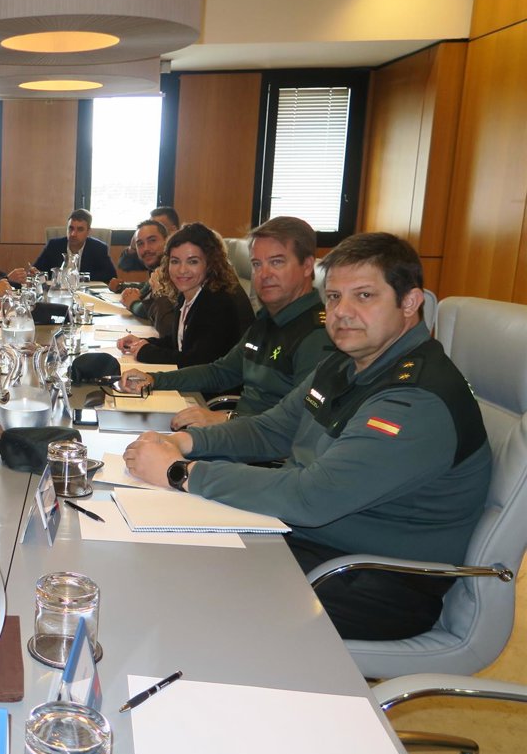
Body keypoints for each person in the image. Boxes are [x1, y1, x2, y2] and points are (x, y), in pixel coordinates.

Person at [123, 232, 491, 641]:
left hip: (373, 579)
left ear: (409, 303)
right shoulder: (347, 363)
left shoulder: (415, 399)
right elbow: (272, 429)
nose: (342, 312)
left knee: (179, 588)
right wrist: (186, 443)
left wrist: (180, 473)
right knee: (162, 547)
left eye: (364, 296)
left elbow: (312, 497)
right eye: (333, 297)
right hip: (311, 541)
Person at [120, 217, 335, 430]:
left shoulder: (318, 335)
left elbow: (304, 425)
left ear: (307, 266)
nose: (264, 274)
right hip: (240, 431)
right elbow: (220, 372)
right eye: (257, 264)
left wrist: (227, 419)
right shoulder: (268, 320)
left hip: (258, 443)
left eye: (276, 262)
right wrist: (154, 380)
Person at [117, 223, 256, 368]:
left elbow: (198, 361)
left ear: (210, 264)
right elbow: (180, 341)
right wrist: (143, 342)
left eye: (192, 261)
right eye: (175, 261)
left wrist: (146, 352)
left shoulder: (218, 300)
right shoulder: (188, 293)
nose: (182, 270)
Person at [7, 209, 117, 284]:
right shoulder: (54, 245)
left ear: (88, 231)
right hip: (57, 294)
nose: (73, 234)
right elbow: (38, 271)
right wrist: (36, 273)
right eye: (71, 228)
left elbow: (111, 277)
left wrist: (78, 278)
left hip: (86, 295)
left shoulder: (98, 248)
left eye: (80, 229)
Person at [110, 219, 168, 290]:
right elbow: (150, 287)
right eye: (140, 243)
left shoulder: (173, 268)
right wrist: (120, 286)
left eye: (152, 240)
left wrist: (133, 299)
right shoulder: (154, 263)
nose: (146, 248)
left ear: (167, 240)